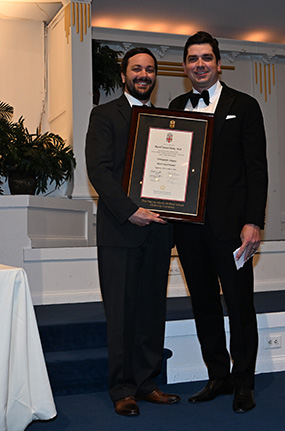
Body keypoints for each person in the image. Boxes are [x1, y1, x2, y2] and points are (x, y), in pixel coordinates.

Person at [169, 31, 268, 412]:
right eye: (192, 59)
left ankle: (245, 381)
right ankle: (218, 376)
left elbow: (257, 170)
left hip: (233, 228)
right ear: (184, 66)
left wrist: (253, 221)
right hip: (189, 228)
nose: (199, 65)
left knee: (240, 304)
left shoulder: (244, 105)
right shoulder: (176, 106)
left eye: (206, 58)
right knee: (204, 304)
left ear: (218, 63)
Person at [85, 47, 180, 416]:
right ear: (124, 75)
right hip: (120, 230)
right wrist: (131, 211)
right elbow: (99, 171)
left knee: (152, 311)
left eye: (150, 69)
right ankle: (123, 389)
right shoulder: (104, 115)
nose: (143, 74)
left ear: (156, 76)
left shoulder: (167, 120)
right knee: (122, 313)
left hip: (159, 230)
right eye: (136, 69)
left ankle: (147, 383)